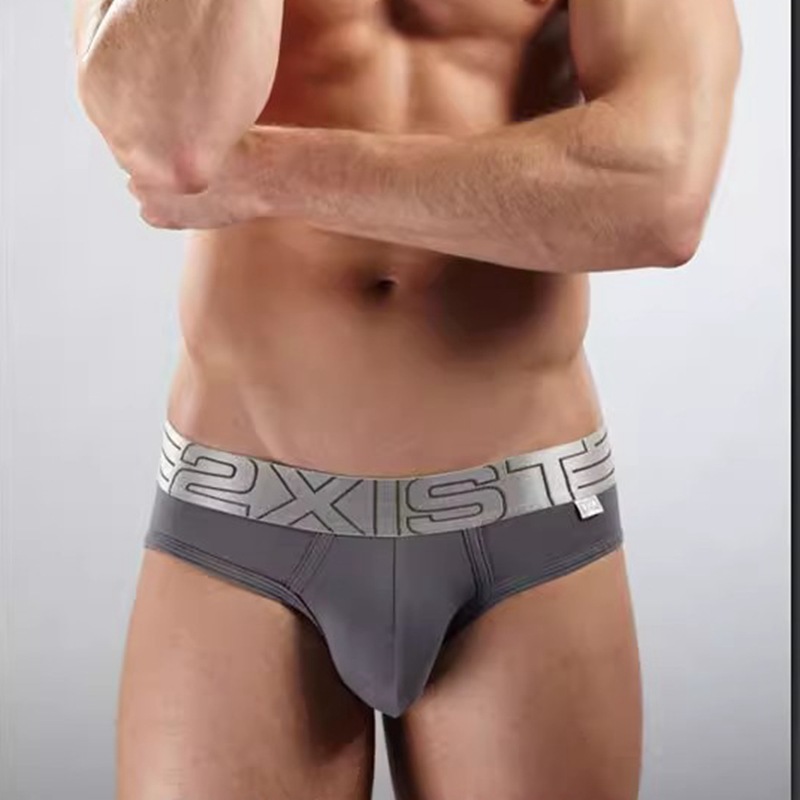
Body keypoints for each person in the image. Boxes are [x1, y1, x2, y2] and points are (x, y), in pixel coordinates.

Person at [72, 0, 741, 797]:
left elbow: (660, 191)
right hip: (242, 514)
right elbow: (174, 143)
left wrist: (269, 175)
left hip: (520, 512)